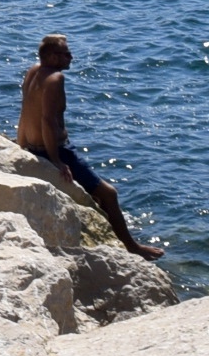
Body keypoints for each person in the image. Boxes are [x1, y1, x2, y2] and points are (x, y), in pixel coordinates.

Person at [17, 35, 161, 259]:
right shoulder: (55, 79)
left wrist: (22, 144)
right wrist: (56, 161)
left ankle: (110, 229)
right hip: (54, 149)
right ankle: (132, 246)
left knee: (95, 195)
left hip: (34, 146)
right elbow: (47, 120)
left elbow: (25, 109)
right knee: (109, 194)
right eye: (66, 53)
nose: (71, 56)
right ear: (53, 57)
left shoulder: (33, 71)